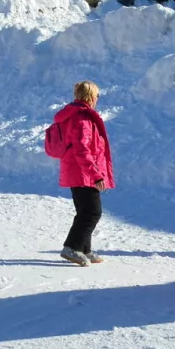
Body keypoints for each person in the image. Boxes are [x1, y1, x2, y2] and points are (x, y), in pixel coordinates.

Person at [44, 80, 115, 266]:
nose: (98, 99)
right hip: (82, 172)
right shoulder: (82, 119)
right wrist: (96, 175)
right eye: (97, 95)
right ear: (91, 96)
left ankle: (85, 248)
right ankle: (72, 247)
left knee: (85, 211)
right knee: (92, 212)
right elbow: (81, 150)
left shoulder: (76, 114)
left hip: (78, 171)